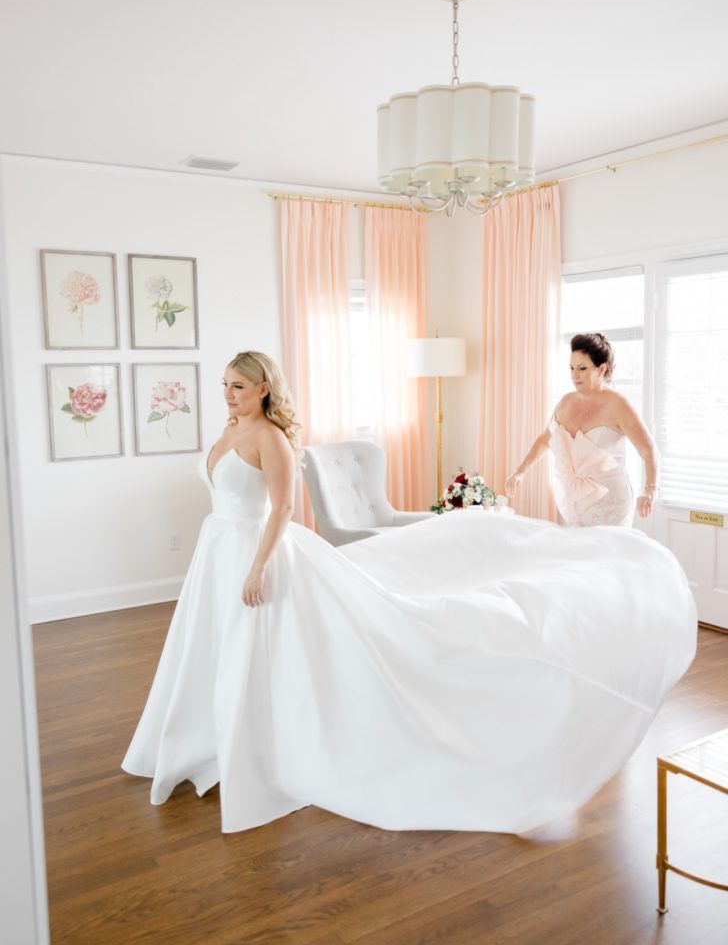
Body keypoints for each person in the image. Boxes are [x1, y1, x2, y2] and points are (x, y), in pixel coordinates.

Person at [122, 350, 694, 835]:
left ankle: (261, 742)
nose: (227, 394)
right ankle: (209, 730)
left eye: (238, 386)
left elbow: (285, 508)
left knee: (272, 642)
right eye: (224, 385)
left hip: (253, 552)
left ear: (264, 389)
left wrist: (256, 565)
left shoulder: (269, 436)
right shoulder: (229, 431)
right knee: (213, 645)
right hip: (216, 550)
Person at [505, 333, 659, 527]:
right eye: (571, 368)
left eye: (582, 368)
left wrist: (650, 490)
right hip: (576, 501)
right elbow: (546, 439)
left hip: (611, 504)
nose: (574, 375)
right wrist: (520, 471)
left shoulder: (618, 405)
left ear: (601, 369)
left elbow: (649, 449)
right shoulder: (566, 402)